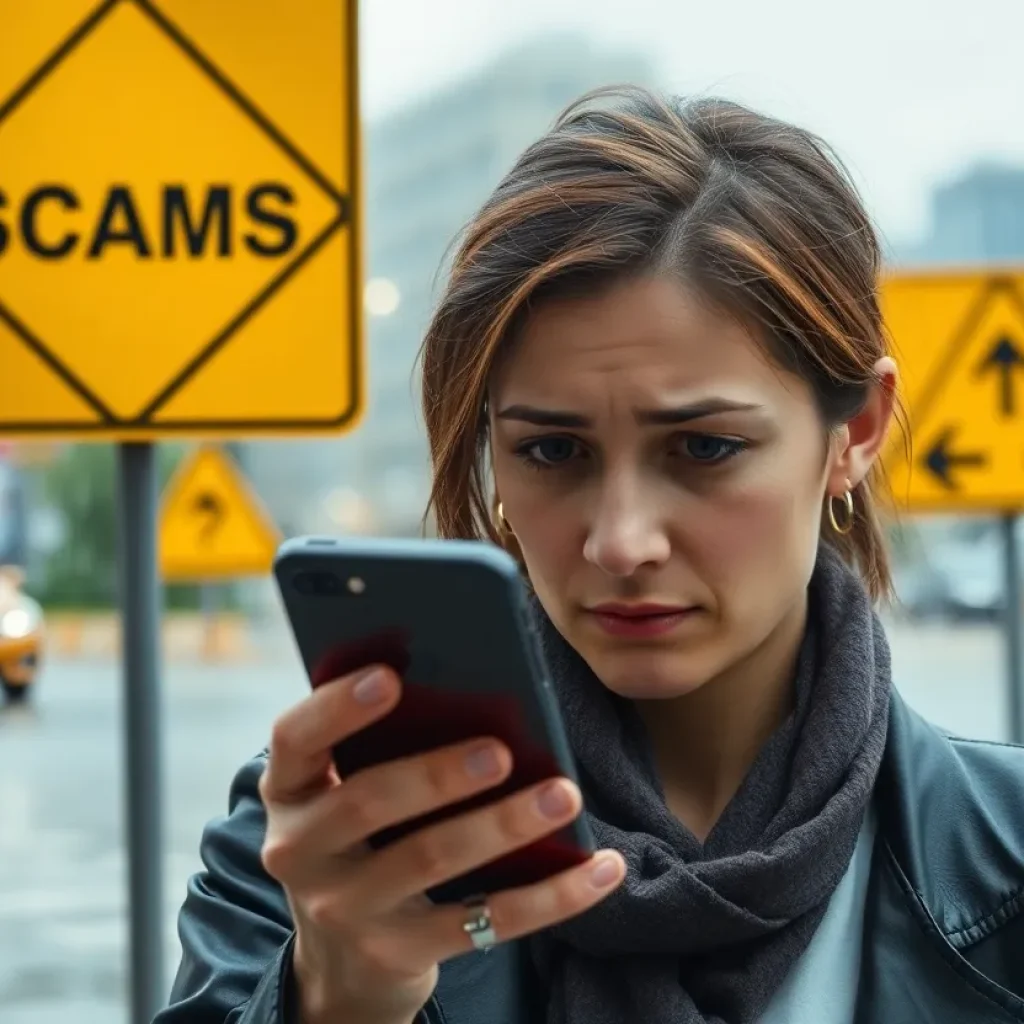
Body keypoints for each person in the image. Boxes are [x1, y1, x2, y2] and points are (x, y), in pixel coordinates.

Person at [154, 87, 1024, 1024]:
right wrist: (335, 999)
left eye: (703, 448)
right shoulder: (331, 848)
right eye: (553, 452)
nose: (619, 541)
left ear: (854, 430)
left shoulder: (1004, 859)